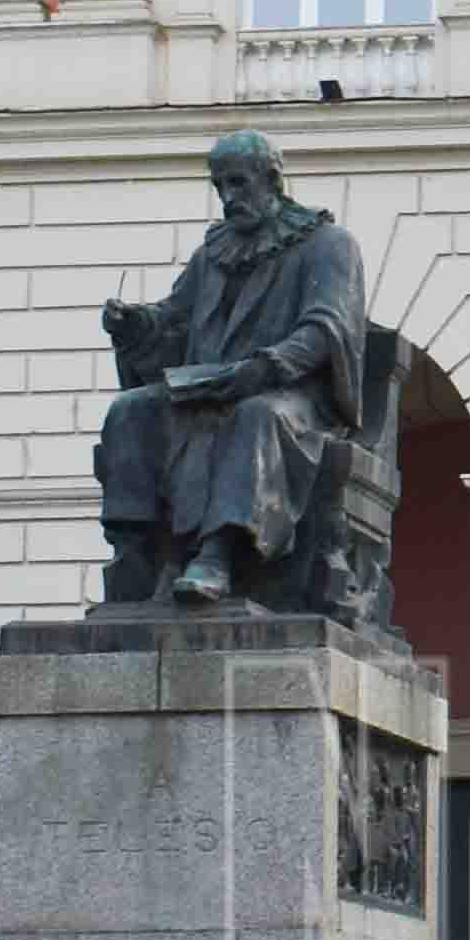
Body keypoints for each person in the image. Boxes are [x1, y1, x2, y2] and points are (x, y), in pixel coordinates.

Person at [93, 134, 376, 609]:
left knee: (257, 416)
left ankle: (218, 554)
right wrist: (136, 323)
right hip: (210, 384)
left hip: (295, 395)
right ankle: (135, 550)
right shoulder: (214, 253)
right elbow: (175, 318)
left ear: (272, 179)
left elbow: (327, 327)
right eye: (220, 185)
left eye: (239, 183)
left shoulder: (329, 244)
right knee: (130, 411)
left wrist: (266, 368)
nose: (229, 197)